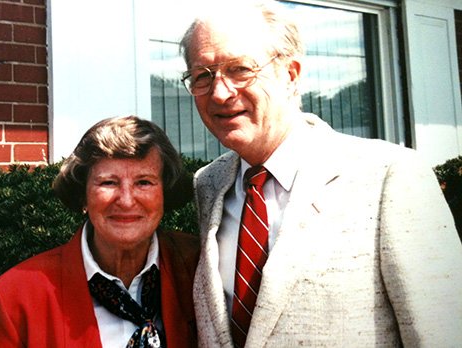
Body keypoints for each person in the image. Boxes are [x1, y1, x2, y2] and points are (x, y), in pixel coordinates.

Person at [179, 1, 462, 347]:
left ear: (291, 75)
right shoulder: (209, 185)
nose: (220, 93)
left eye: (240, 69)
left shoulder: (390, 175)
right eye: (202, 76)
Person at [0, 116, 199, 348]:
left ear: (164, 194)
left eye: (144, 182)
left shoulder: (198, 267)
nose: (126, 201)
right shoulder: (17, 295)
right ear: (82, 196)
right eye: (108, 183)